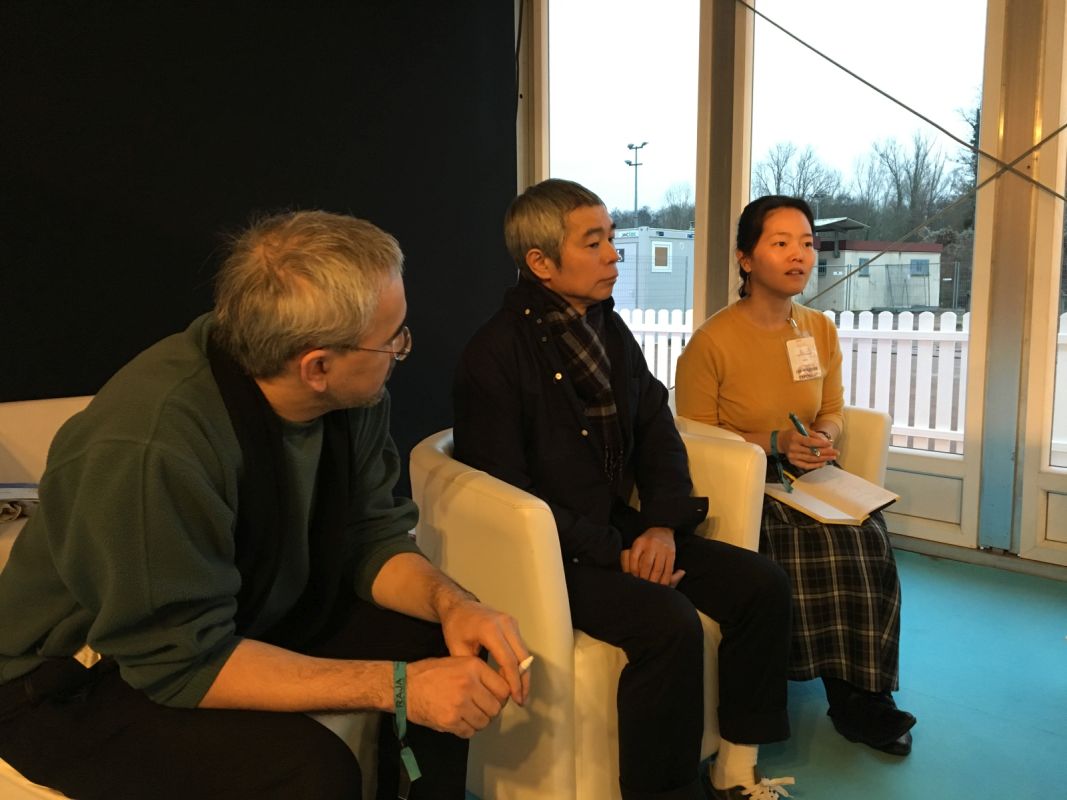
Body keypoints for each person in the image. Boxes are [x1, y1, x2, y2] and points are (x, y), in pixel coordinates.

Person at [0, 210, 532, 799]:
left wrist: (454, 605)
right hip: (70, 678)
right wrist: (400, 688)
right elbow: (177, 661)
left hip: (239, 606)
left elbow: (369, 536)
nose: (401, 349)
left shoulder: (349, 394)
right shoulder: (150, 448)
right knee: (310, 770)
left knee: (445, 643)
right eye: (392, 340)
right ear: (317, 366)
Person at [453, 179, 796, 800]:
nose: (615, 254)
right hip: (550, 553)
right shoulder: (493, 356)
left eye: (611, 238)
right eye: (594, 243)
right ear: (541, 263)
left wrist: (661, 527)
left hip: (617, 527)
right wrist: (617, 553)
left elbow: (658, 431)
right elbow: (511, 498)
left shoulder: (607, 330)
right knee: (668, 623)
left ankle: (736, 768)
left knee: (761, 585)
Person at [675, 195, 916, 757]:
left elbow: (831, 407)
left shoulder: (818, 330)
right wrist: (774, 443)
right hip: (747, 486)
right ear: (745, 258)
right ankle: (830, 689)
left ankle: (865, 691)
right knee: (817, 544)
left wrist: (823, 436)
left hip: (810, 473)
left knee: (869, 538)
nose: (799, 255)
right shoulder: (711, 342)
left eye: (806, 243)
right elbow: (696, 440)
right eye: (780, 243)